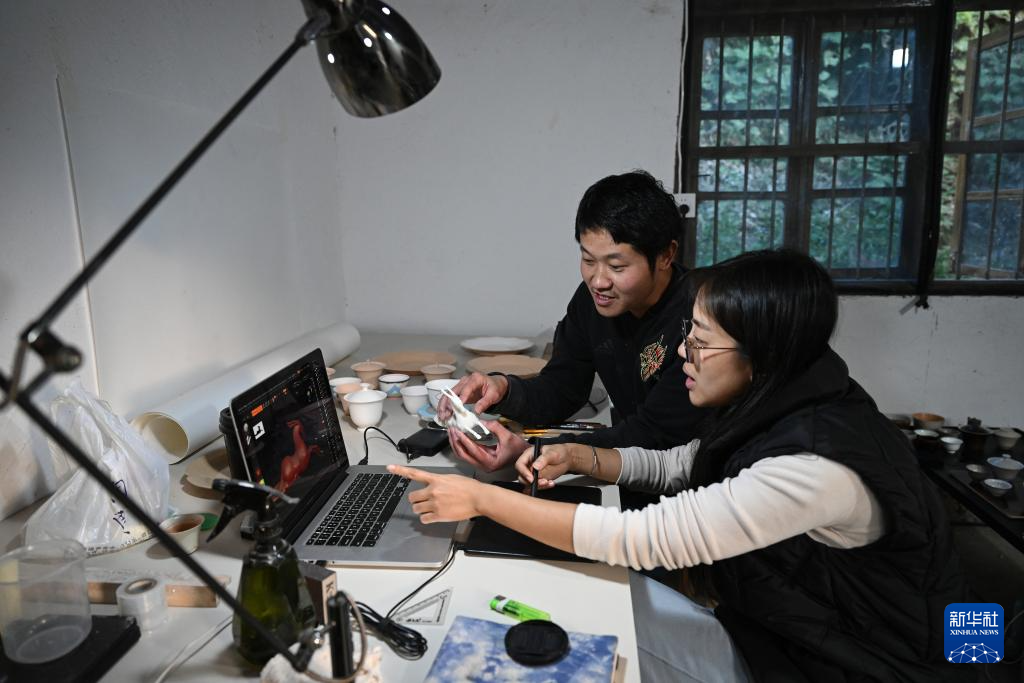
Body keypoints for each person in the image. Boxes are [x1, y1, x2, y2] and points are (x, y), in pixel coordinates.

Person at [390, 250, 971, 682]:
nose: (680, 353)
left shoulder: (814, 466)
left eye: (700, 342)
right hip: (791, 620)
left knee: (595, 634)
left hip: (863, 659)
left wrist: (481, 499)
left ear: (761, 357)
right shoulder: (788, 395)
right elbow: (686, 463)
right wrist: (576, 456)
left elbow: (643, 538)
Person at [440, 170, 705, 477]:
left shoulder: (700, 321)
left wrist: (535, 451)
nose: (598, 281)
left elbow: (653, 435)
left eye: (616, 266)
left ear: (665, 255)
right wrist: (504, 389)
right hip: (626, 464)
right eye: (588, 260)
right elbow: (563, 387)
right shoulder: (593, 301)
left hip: (686, 481)